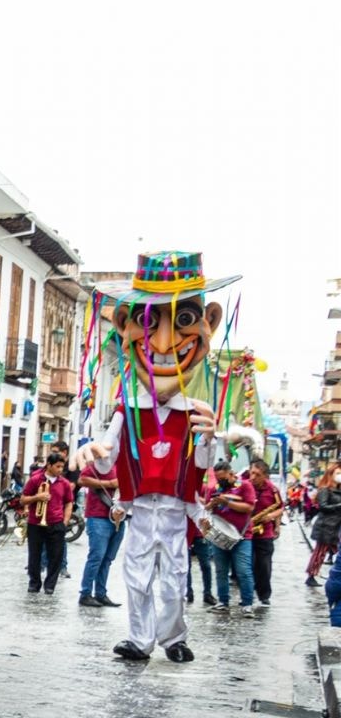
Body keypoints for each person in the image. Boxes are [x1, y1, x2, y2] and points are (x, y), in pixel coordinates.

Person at [78, 252, 247, 663]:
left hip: (174, 511)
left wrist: (213, 440)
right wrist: (95, 454)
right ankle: (139, 639)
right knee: (135, 578)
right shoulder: (128, 408)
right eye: (150, 323)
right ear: (125, 325)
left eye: (184, 322)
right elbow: (109, 457)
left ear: (208, 322)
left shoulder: (196, 411)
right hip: (140, 511)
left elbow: (203, 463)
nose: (162, 341)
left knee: (174, 579)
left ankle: (174, 639)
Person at [205, 459, 256, 616]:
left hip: (242, 536)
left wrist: (227, 501)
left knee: (243, 570)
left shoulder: (245, 486)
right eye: (218, 477)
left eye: (223, 477)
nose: (221, 480)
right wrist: (213, 504)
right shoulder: (215, 488)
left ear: (231, 473)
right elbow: (205, 508)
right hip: (221, 535)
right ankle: (223, 602)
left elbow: (249, 507)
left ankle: (247, 604)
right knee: (221, 570)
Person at [21, 453, 74, 594]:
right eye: (57, 466)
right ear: (49, 465)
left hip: (56, 523)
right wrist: (37, 497)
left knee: (56, 556)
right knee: (35, 555)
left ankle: (50, 585)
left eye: (62, 467)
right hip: (35, 523)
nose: (60, 469)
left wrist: (65, 521)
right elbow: (23, 499)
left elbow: (69, 503)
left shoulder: (64, 483)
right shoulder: (35, 480)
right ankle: (34, 583)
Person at [78, 462, 125, 607]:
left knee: (108, 559)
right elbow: (82, 480)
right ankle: (85, 593)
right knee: (96, 557)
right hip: (98, 516)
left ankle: (101, 593)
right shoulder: (99, 463)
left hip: (119, 517)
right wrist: (111, 483)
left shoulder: (126, 464)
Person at [246, 459, 281, 608]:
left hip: (264, 532)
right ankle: (248, 593)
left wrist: (272, 518)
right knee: (247, 565)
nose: (253, 477)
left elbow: (280, 507)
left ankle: (264, 595)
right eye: (251, 472)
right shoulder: (245, 486)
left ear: (265, 476)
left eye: (257, 474)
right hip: (246, 532)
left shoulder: (273, 489)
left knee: (264, 565)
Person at [306, 464, 341, 587]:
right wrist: (339, 506)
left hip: (336, 528)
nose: (339, 476)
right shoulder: (325, 489)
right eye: (337, 473)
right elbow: (323, 506)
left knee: (336, 551)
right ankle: (311, 575)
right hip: (325, 527)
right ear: (330, 475)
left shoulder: (339, 490)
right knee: (320, 553)